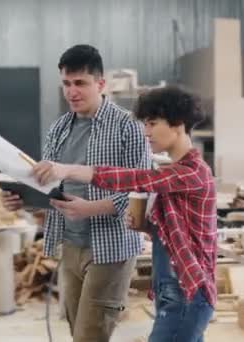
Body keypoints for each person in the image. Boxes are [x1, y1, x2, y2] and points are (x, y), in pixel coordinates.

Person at [32, 86, 217, 342]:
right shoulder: (176, 171)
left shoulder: (192, 172)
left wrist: (68, 170)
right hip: (171, 289)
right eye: (145, 124)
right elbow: (179, 231)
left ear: (178, 124)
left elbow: (134, 178)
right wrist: (147, 227)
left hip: (187, 291)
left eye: (152, 124)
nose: (146, 132)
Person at [2, 44, 151, 341]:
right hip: (70, 247)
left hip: (110, 248)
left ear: (101, 84)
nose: (72, 92)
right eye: (66, 84)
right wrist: (24, 201)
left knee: (90, 336)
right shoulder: (58, 128)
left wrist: (90, 208)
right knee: (76, 332)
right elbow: (49, 189)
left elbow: (140, 190)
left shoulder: (128, 126)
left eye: (80, 83)